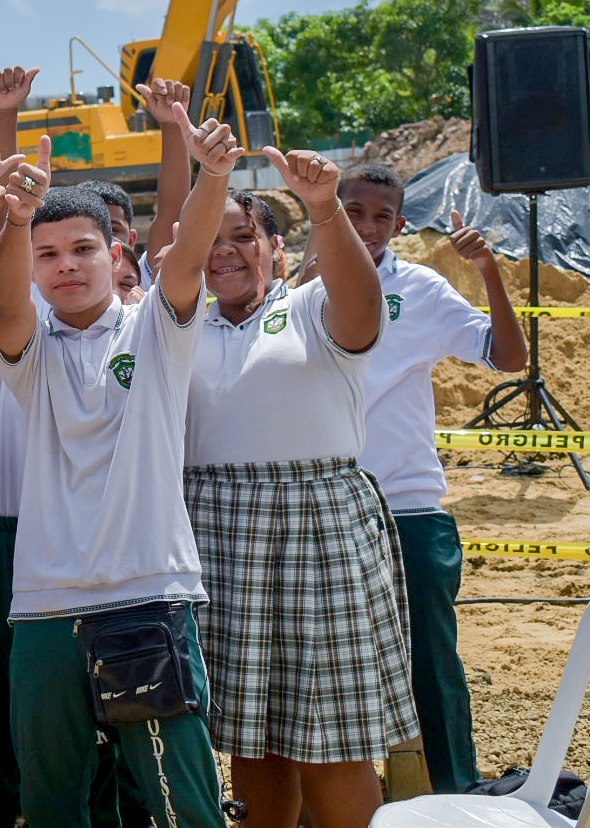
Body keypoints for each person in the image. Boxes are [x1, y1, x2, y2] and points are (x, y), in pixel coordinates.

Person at [0, 83, 240, 828]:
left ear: (118, 251)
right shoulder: (31, 350)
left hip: (147, 595)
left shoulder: (155, 332)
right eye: (48, 255)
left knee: (182, 805)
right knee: (54, 801)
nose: (66, 266)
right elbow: (4, 307)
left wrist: (212, 172)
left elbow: (189, 253)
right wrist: (15, 217)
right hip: (43, 606)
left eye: (83, 249)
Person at [180, 139, 416, 828]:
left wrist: (325, 208)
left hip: (316, 531)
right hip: (219, 535)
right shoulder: (180, 325)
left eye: (244, 236)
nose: (226, 251)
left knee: (333, 742)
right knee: (252, 741)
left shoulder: (310, 308)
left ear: (277, 249)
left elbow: (362, 304)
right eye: (212, 239)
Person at [303, 162, 525, 794]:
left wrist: (489, 272)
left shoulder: (422, 290)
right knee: (322, 665)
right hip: (322, 509)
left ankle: (452, 792)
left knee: (429, 660)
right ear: (328, 208)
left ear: (399, 225)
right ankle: (332, 800)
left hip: (407, 508)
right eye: (354, 210)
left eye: (381, 216)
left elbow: (508, 358)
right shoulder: (293, 289)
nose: (366, 225)